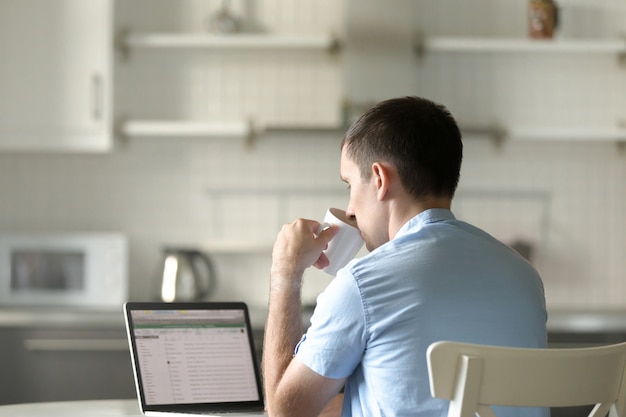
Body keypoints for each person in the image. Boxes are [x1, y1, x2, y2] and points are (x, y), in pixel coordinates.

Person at [262, 96, 547, 417]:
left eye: (350, 185)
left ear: (380, 180)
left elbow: (283, 412)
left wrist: (286, 274)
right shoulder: (525, 278)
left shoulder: (362, 285)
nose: (351, 210)